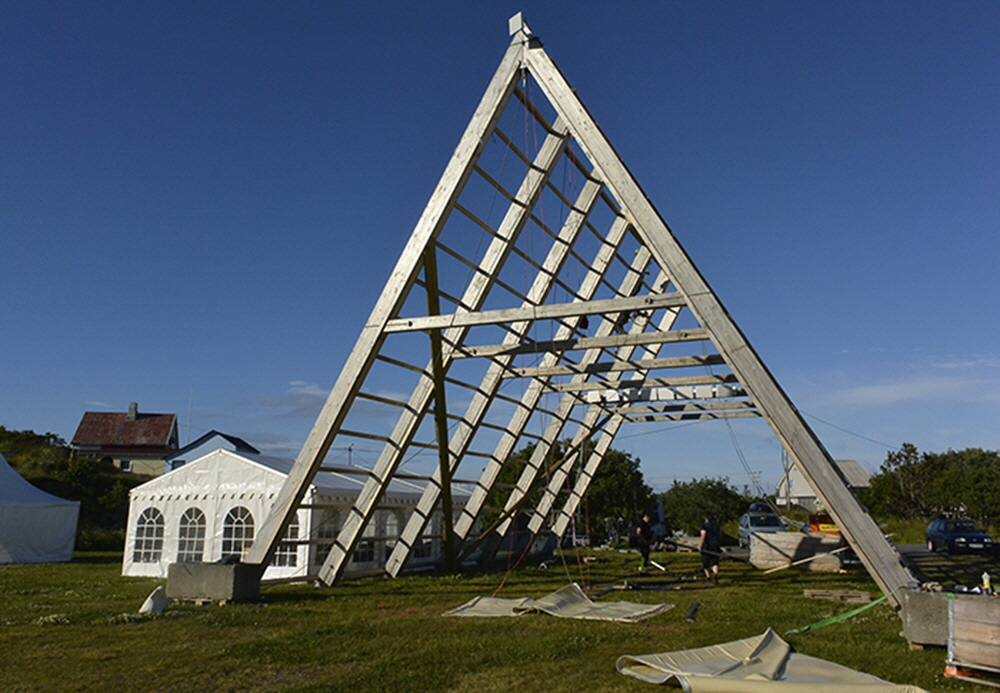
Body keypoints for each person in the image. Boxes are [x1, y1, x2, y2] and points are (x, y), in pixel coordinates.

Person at [700, 512, 721, 584]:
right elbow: (719, 535)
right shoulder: (716, 526)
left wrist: (701, 544)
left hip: (707, 546)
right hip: (715, 545)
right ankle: (715, 577)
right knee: (715, 562)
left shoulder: (705, 526)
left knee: (706, 563)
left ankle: (708, 578)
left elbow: (703, 534)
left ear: (706, 519)